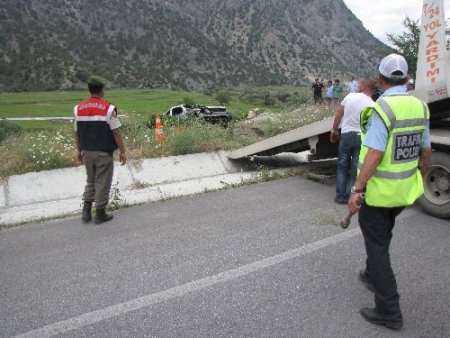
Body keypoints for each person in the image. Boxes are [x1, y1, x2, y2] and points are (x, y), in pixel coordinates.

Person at [348, 54, 432, 330]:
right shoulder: (420, 106)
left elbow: (374, 153)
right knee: (382, 235)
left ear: (380, 80)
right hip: (403, 192)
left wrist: (357, 188)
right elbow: (426, 150)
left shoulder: (382, 109)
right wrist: (419, 175)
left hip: (379, 193)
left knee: (377, 244)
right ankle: (372, 274)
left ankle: (389, 310)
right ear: (407, 78)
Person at [74, 75, 127, 224]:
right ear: (102, 89)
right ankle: (100, 213)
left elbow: (77, 132)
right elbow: (116, 132)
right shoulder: (109, 109)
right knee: (103, 181)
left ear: (90, 90)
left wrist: (79, 150)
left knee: (90, 180)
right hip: (103, 152)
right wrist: (122, 151)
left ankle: (86, 211)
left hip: (87, 152)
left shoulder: (78, 109)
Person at [330, 77, 374, 204]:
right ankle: (351, 195)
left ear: (365, 85)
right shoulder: (372, 104)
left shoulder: (350, 97)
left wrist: (334, 130)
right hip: (361, 137)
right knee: (355, 167)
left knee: (342, 165)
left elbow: (339, 114)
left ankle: (340, 196)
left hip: (346, 135)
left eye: (360, 84)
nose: (358, 86)